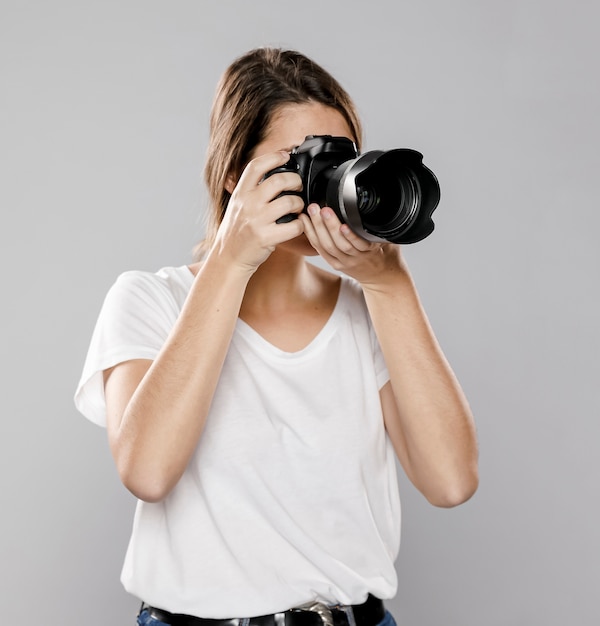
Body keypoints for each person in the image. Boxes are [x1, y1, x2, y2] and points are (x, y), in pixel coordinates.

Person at [74, 47, 479, 626]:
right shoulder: (149, 300)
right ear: (236, 175)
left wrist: (390, 284)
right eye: (302, 160)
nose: (327, 180)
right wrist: (230, 261)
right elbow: (148, 471)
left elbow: (451, 481)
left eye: (341, 159)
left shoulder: (369, 311)